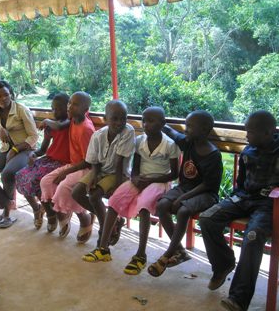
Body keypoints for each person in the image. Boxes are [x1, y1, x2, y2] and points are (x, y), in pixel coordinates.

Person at [200, 110, 279, 311]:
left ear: (268, 132)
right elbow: (241, 183)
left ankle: (238, 298)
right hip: (243, 198)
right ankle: (224, 263)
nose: (246, 136)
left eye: (250, 132)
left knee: (253, 237)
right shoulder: (248, 151)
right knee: (207, 218)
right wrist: (235, 197)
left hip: (269, 205)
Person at [82, 107, 180, 276]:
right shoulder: (140, 140)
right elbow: (135, 169)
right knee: (115, 200)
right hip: (141, 179)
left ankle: (140, 255)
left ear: (163, 124)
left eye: (151, 121)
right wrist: (135, 179)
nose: (146, 125)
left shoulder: (170, 145)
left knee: (143, 205)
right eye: (144, 121)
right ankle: (103, 248)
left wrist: (151, 180)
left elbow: (174, 174)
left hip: (160, 182)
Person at [148, 110, 223, 277]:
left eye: (189, 126)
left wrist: (183, 197)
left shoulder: (213, 155)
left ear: (204, 130)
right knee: (162, 205)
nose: (185, 129)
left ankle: (168, 254)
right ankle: (180, 251)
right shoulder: (188, 143)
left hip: (206, 193)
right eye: (186, 125)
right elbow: (173, 133)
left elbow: (208, 185)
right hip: (186, 187)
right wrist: (161, 123)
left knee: (183, 211)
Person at [72, 100, 134, 245]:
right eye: (114, 118)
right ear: (105, 119)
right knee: (76, 193)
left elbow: (119, 163)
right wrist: (93, 176)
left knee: (94, 196)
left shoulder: (128, 131)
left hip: (118, 174)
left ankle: (104, 229)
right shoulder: (98, 135)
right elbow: (94, 162)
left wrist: (117, 187)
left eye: (123, 118)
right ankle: (109, 222)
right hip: (101, 170)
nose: (120, 122)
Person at [0, 80, 38, 229]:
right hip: (6, 149)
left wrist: (16, 150)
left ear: (10, 94)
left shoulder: (21, 110)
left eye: (6, 95)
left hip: (26, 150)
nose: (3, 99)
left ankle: (5, 213)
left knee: (8, 173)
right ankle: (6, 203)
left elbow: (33, 137)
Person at [39, 91, 95, 242]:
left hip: (87, 168)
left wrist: (67, 172)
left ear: (85, 110)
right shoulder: (72, 120)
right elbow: (58, 124)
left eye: (74, 104)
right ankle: (62, 215)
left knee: (63, 187)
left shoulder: (85, 129)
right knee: (46, 182)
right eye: (69, 103)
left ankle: (85, 219)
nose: (69, 106)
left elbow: (89, 161)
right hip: (74, 165)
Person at [15, 93, 70, 230]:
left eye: (58, 109)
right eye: (52, 109)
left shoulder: (70, 122)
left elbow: (60, 126)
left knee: (38, 179)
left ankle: (52, 213)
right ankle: (43, 209)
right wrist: (34, 154)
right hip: (49, 160)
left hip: (63, 163)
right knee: (21, 175)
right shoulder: (51, 126)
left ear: (67, 109)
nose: (55, 112)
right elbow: (43, 149)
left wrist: (46, 121)